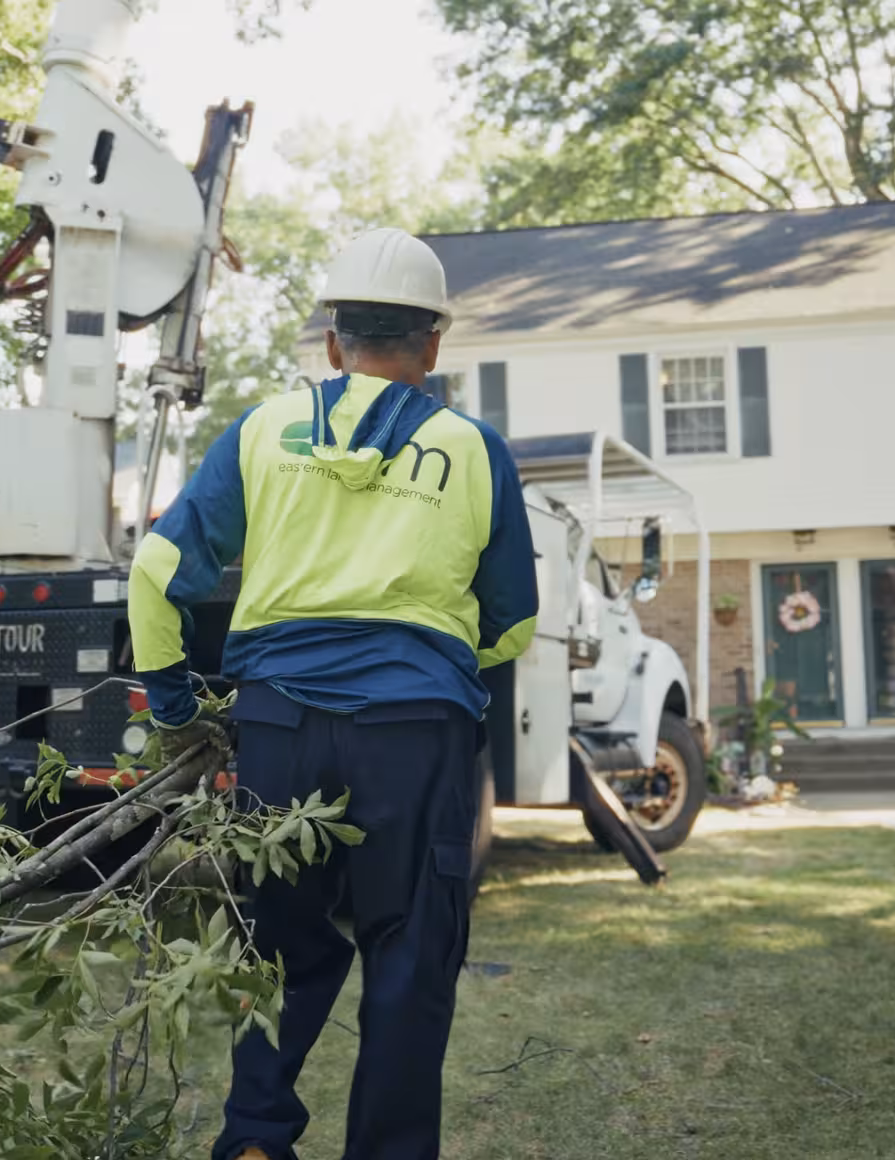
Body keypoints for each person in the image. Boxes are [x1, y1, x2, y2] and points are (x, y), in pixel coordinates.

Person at [128, 227, 539, 1160]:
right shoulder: (473, 449)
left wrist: (176, 707)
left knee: (282, 942)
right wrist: (433, 669)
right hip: (416, 730)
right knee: (409, 953)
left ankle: (256, 1139)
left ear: (332, 342)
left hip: (280, 726)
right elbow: (513, 624)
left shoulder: (265, 430)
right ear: (434, 345)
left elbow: (158, 570)